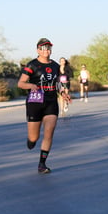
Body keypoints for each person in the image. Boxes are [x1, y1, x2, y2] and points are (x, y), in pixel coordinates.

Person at [17, 38, 71, 174]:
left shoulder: (55, 66)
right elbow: (20, 83)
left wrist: (63, 93)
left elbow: (58, 83)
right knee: (34, 137)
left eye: (48, 48)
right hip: (35, 102)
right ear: (37, 50)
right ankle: (31, 140)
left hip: (51, 101)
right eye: (43, 48)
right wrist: (31, 85)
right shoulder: (32, 65)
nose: (46, 51)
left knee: (49, 132)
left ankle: (42, 164)